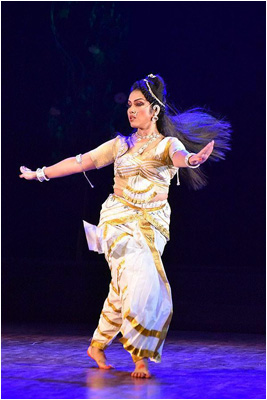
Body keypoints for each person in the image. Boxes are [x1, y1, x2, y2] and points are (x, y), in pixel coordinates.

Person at [19, 73, 231, 378]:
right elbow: (80, 162)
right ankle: (139, 356)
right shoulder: (120, 145)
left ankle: (98, 343)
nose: (131, 110)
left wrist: (193, 160)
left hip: (153, 223)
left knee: (124, 286)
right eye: (129, 105)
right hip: (118, 220)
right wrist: (39, 173)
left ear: (154, 110)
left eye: (138, 104)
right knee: (139, 277)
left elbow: (181, 157)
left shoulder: (168, 145)